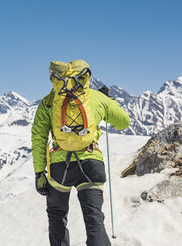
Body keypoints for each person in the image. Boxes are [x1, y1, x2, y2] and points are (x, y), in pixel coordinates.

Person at [31, 60, 130, 246]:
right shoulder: (95, 97)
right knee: (94, 219)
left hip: (60, 169)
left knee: (57, 216)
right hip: (91, 164)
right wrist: (108, 101)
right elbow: (124, 122)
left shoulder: (47, 102)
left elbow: (39, 139)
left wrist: (39, 173)